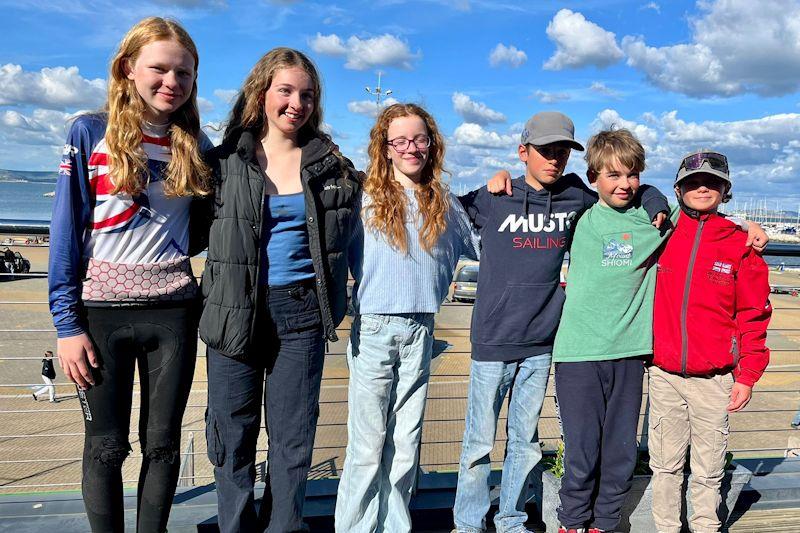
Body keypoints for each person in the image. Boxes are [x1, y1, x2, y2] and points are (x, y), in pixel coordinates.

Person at [453, 114, 668, 533]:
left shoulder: (576, 198)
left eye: (561, 152)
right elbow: (444, 219)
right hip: (493, 341)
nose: (554, 159)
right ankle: (467, 524)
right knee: (478, 445)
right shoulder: (495, 195)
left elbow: (628, 188)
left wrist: (656, 199)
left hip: (542, 343)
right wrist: (495, 177)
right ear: (523, 153)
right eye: (545, 151)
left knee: (525, 444)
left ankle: (512, 520)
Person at [47, 17, 212, 532]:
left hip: (174, 312)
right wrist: (66, 325)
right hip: (99, 317)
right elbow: (66, 233)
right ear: (127, 69)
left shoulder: (196, 143)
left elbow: (204, 230)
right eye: (159, 69)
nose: (172, 82)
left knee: (162, 446)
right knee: (106, 446)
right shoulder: (89, 132)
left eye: (183, 73)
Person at [199, 48, 361, 533]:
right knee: (232, 432)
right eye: (285, 91)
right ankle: (235, 526)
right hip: (233, 310)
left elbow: (389, 198)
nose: (297, 103)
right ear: (261, 93)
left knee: (293, 438)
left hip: (301, 312)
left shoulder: (330, 166)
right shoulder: (225, 161)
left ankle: (284, 526)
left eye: (307, 94)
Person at [334, 103, 479, 532]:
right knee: (367, 443)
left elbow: (484, 247)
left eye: (419, 139)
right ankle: (357, 526)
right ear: (386, 148)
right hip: (376, 327)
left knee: (405, 440)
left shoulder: (445, 204)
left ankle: (396, 525)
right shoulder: (365, 199)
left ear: (432, 145)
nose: (411, 148)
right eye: (400, 140)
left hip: (422, 329)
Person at [550, 129, 673, 533]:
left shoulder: (652, 218)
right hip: (579, 353)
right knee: (582, 451)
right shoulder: (580, 216)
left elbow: (688, 212)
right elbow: (544, 188)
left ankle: (605, 523)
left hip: (629, 352)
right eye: (613, 175)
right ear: (594, 179)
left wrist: (653, 196)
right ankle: (572, 521)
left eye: (632, 175)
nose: (624, 184)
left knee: (620, 451)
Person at [649, 150, 772, 533]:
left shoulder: (740, 244)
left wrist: (748, 375)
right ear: (679, 189)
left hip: (715, 379)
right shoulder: (659, 231)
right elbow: (627, 197)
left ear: (725, 190)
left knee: (708, 470)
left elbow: (754, 315)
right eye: (692, 182)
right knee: (665, 466)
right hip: (664, 374)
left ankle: (706, 527)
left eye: (712, 182)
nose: (702, 188)